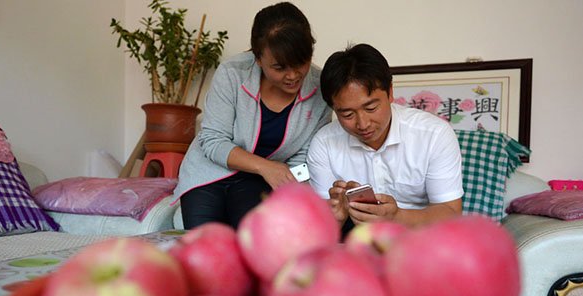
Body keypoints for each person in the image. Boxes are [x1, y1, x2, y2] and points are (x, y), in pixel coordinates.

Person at [172, 2, 332, 229]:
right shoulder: (232, 73)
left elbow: (305, 157)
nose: (293, 75)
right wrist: (266, 166)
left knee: (254, 236)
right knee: (203, 240)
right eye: (279, 67)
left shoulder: (320, 88)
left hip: (257, 182)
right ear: (258, 58)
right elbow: (212, 140)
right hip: (208, 173)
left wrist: (291, 188)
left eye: (301, 62)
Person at [306, 43, 463, 234]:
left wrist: (396, 217)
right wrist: (336, 218)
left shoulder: (434, 135)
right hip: (357, 240)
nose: (363, 124)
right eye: (347, 114)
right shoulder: (324, 144)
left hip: (420, 239)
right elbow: (320, 235)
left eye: (371, 108)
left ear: (390, 92)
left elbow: (451, 213)